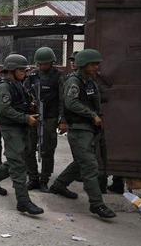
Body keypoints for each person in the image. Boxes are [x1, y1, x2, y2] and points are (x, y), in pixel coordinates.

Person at [48, 49, 116, 219]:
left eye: (97, 64)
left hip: (88, 128)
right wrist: (91, 114)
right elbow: (71, 103)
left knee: (80, 161)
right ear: (83, 65)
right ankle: (97, 204)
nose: (96, 67)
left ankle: (59, 185)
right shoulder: (74, 81)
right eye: (92, 64)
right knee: (89, 165)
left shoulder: (89, 81)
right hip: (79, 129)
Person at [0, 54, 44, 215]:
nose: (24, 72)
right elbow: (5, 109)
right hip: (11, 128)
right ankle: (23, 201)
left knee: (16, 159)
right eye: (21, 69)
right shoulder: (4, 87)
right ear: (11, 70)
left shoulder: (18, 84)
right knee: (18, 164)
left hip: (21, 126)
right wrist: (25, 118)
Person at [24, 47, 66, 192]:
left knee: (48, 150)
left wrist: (63, 119)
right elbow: (25, 95)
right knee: (29, 148)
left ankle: (44, 179)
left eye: (45, 63)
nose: (42, 66)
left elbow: (62, 99)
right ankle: (33, 178)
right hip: (34, 117)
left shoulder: (58, 76)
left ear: (51, 62)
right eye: (40, 64)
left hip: (50, 118)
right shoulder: (32, 76)